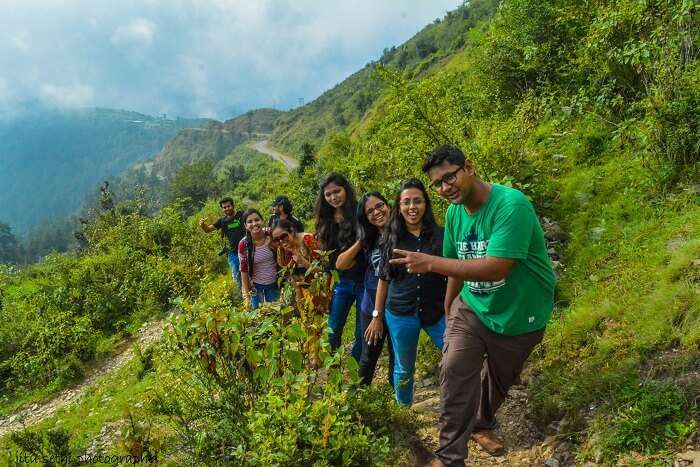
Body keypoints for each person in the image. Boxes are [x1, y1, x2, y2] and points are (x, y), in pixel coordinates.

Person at [392, 145, 556, 467]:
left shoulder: (511, 205)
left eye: (449, 177)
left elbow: (497, 266)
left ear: (469, 167)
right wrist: (450, 305)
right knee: (453, 369)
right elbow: (455, 260)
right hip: (474, 306)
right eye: (437, 184)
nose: (444, 188)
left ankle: (481, 423)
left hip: (521, 313)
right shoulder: (455, 213)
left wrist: (431, 264)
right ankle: (450, 457)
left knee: (498, 380)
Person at [375, 178, 447, 406]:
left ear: (426, 204)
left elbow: (453, 272)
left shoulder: (441, 235)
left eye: (417, 201)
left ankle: (458, 403)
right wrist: (377, 316)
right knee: (404, 367)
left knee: (457, 356)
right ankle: (404, 409)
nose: (412, 207)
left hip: (437, 311)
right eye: (406, 202)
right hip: (400, 313)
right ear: (399, 206)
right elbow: (384, 280)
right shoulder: (391, 238)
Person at [336, 191, 394, 386]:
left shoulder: (403, 232)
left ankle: (399, 405)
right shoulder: (367, 239)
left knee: (398, 357)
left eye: (380, 206)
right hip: (371, 306)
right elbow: (340, 264)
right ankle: (358, 400)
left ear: (389, 206)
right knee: (368, 356)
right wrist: (361, 241)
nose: (376, 212)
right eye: (370, 211)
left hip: (398, 306)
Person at [314, 173, 364, 361]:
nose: (334, 197)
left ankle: (356, 370)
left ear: (346, 190)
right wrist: (326, 288)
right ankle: (333, 365)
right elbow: (327, 259)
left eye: (337, 191)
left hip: (363, 280)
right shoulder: (325, 220)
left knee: (361, 330)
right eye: (328, 194)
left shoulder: (359, 212)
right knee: (333, 327)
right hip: (341, 281)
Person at [199, 197, 246, 293]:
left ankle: (253, 294)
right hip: (232, 252)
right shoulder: (222, 221)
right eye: (224, 207)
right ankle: (241, 298)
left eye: (228, 206)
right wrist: (203, 225)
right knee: (237, 275)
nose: (226, 209)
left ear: (233, 205)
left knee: (250, 272)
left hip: (246, 250)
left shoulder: (242, 215)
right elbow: (208, 230)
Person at [238, 209, 280, 310]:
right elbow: (244, 270)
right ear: (245, 226)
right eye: (249, 222)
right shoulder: (244, 244)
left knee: (276, 313)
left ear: (262, 221)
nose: (254, 224)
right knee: (259, 315)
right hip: (256, 287)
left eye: (257, 220)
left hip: (274, 283)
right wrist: (246, 296)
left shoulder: (272, 235)